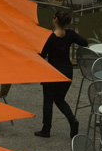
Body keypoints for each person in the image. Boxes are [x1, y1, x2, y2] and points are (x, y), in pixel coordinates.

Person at [35, 9, 88, 139]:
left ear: (56, 20)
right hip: (67, 72)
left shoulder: (50, 37)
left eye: (53, 17)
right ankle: (72, 121)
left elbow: (42, 55)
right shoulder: (70, 34)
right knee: (59, 99)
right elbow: (84, 42)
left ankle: (46, 129)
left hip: (52, 72)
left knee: (48, 101)